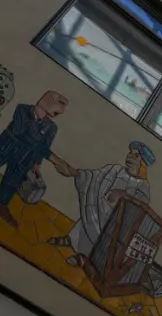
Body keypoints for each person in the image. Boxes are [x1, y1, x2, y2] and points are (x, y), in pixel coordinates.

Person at [47, 140, 153, 267]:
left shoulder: (143, 186)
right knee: (91, 206)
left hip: (117, 223)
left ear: (143, 165)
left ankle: (84, 257)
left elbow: (142, 203)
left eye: (135, 156)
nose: (130, 156)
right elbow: (93, 177)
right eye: (130, 153)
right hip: (100, 210)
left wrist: (124, 195)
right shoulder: (115, 169)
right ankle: (71, 239)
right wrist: (73, 172)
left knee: (104, 229)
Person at [0, 91, 68, 227]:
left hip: (25, 155)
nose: (52, 116)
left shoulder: (51, 127)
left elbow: (45, 144)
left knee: (12, 182)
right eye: (53, 112)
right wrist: (51, 156)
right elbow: (20, 133)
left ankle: (1, 205)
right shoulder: (22, 109)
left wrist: (36, 163)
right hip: (7, 145)